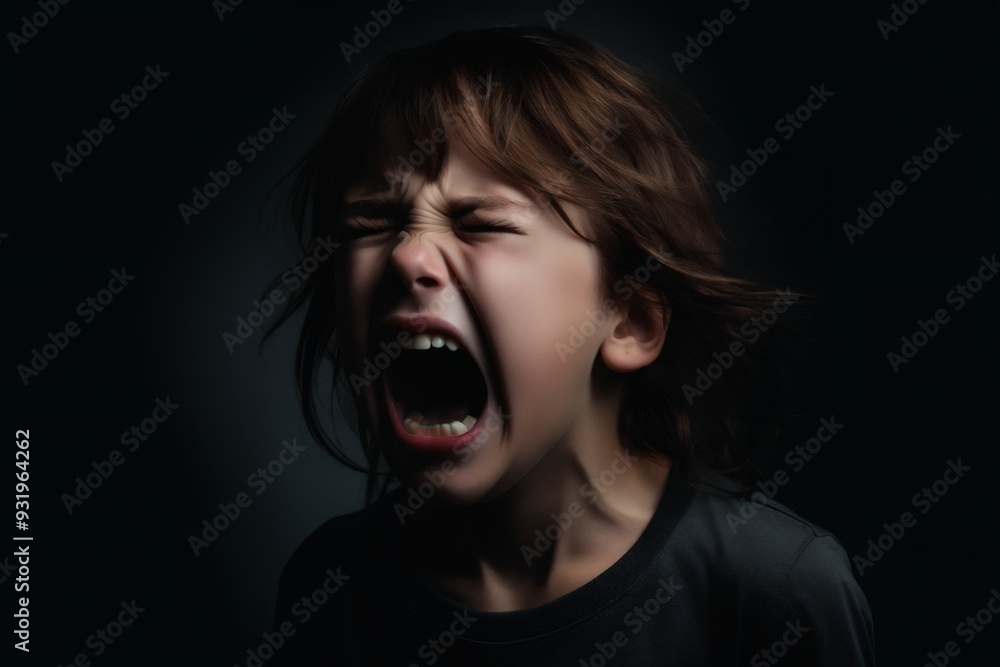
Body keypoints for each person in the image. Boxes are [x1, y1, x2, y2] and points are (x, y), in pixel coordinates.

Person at [266, 25, 876, 666]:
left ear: (630, 322)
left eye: (482, 223)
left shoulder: (770, 590)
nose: (407, 254)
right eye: (371, 223)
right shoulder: (333, 586)